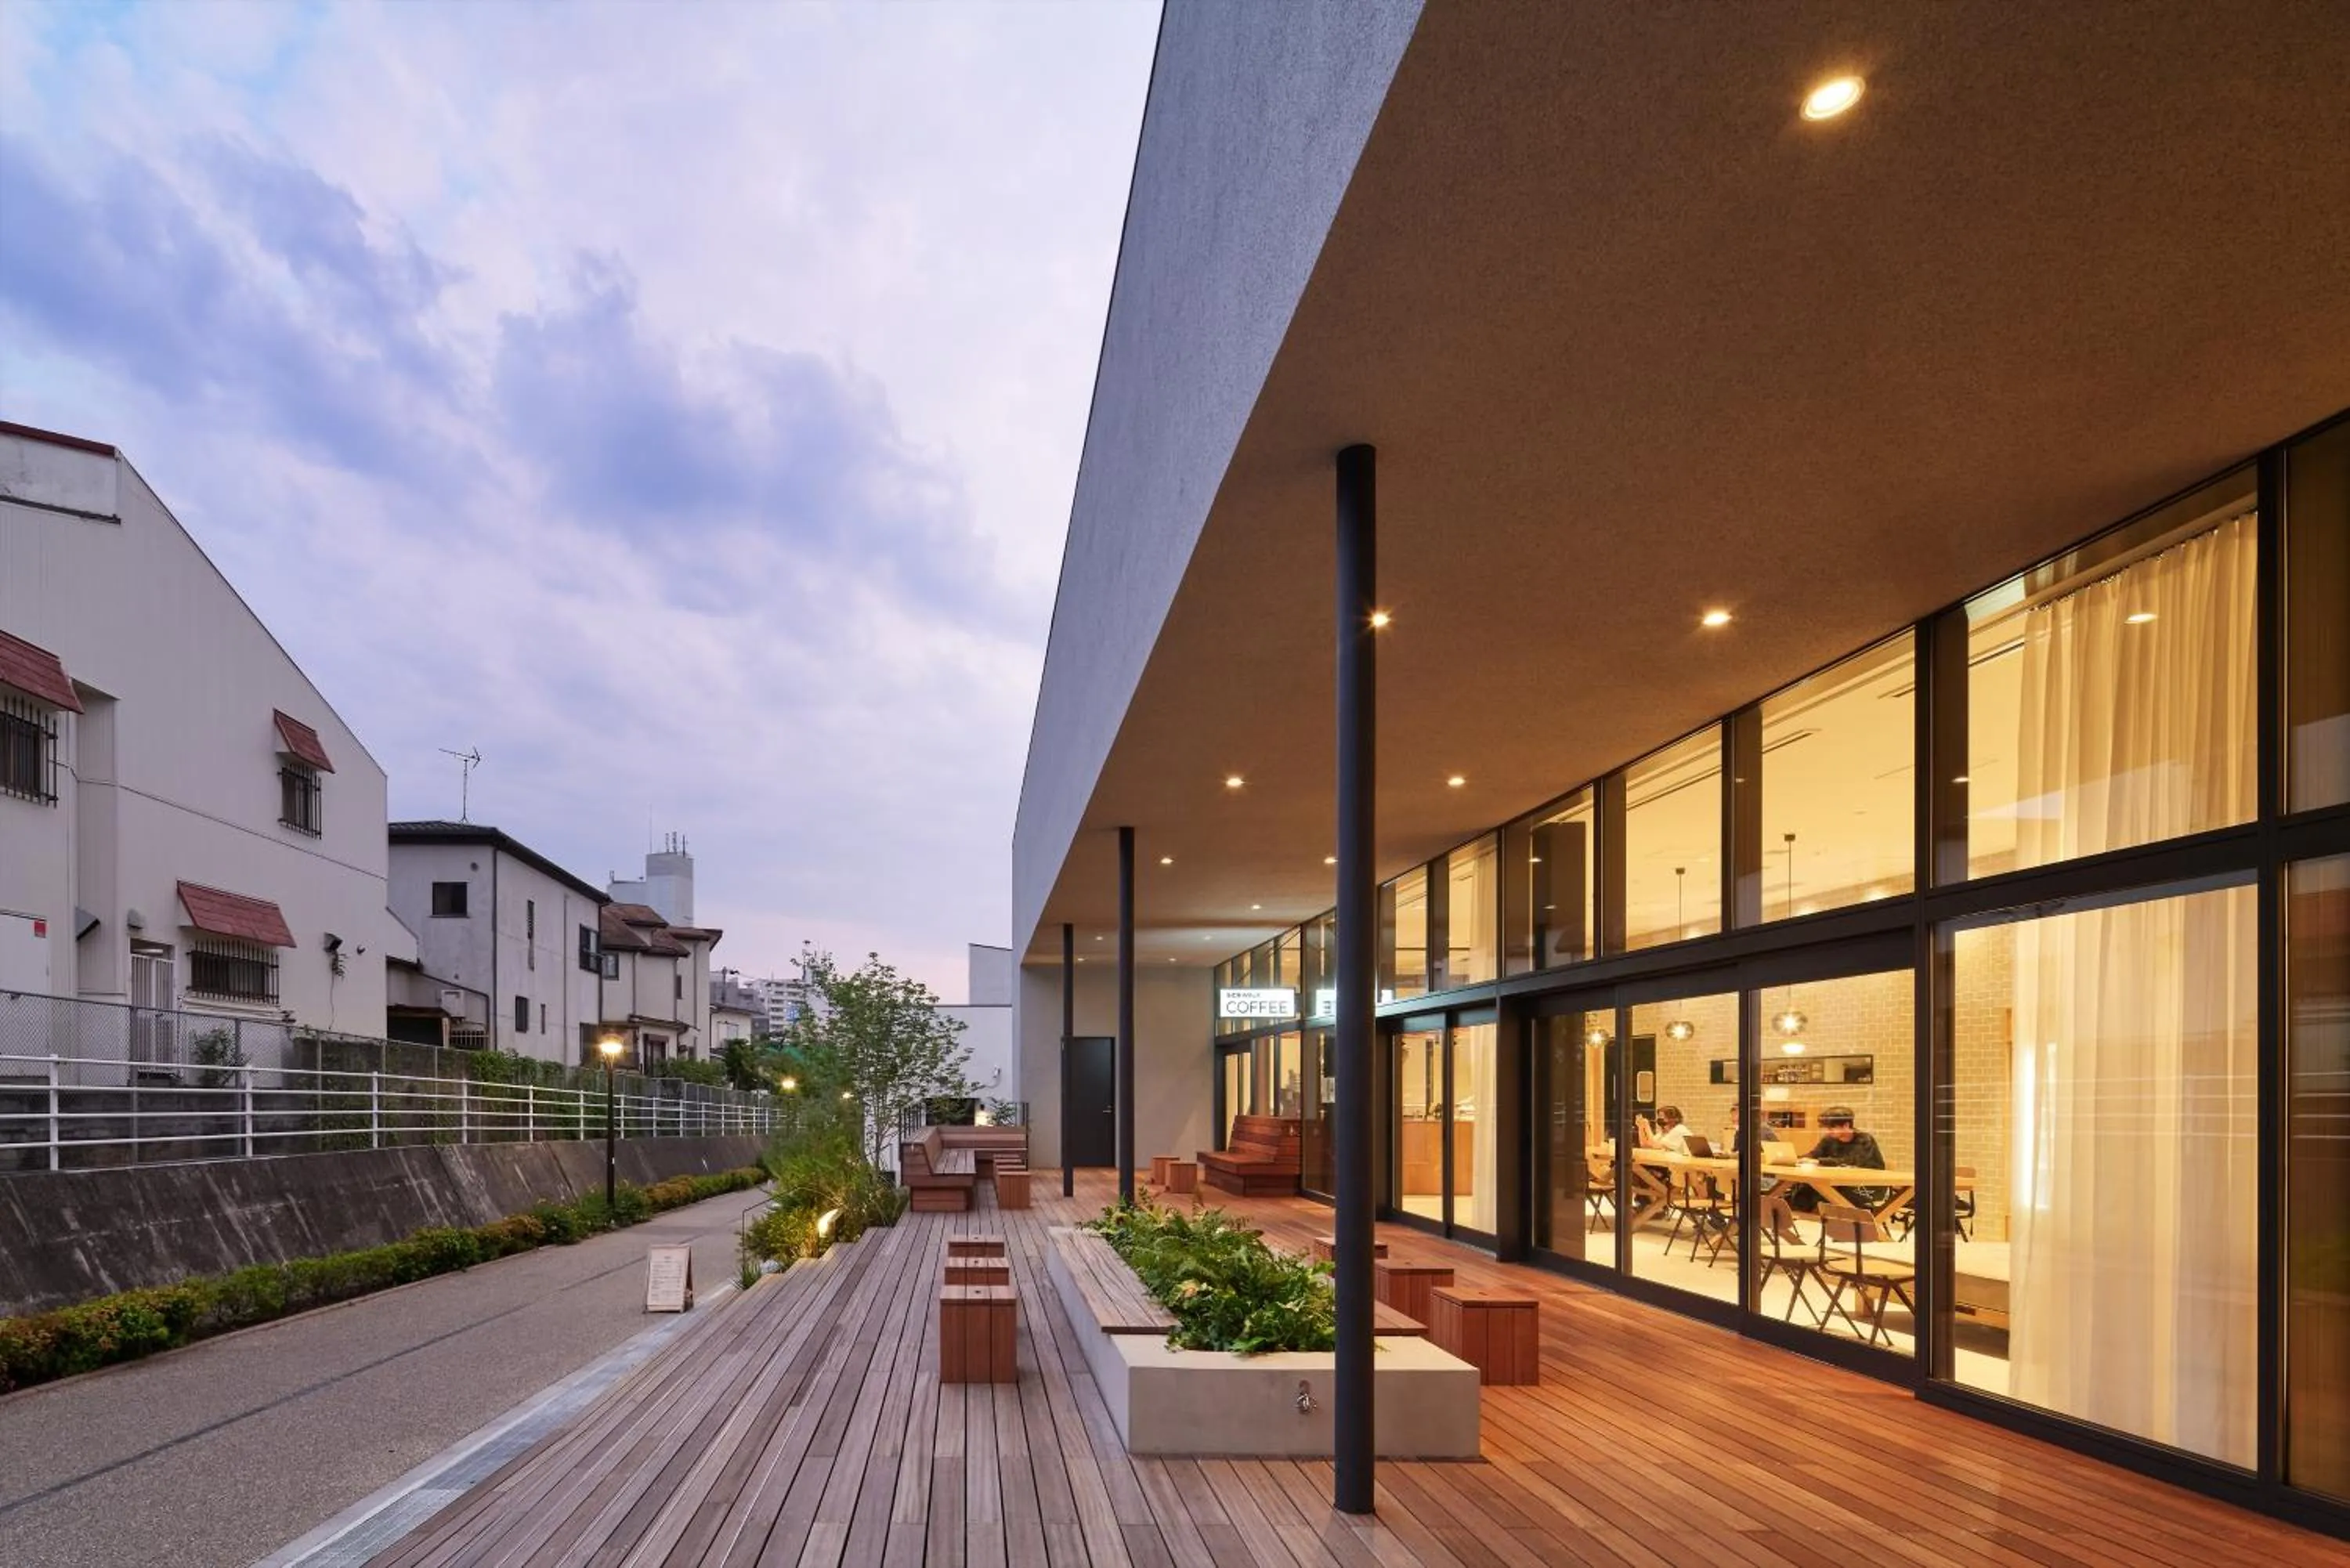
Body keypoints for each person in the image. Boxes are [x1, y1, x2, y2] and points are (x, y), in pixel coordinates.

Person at [1786, 1105, 1887, 1212]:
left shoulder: (1864, 1140)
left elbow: (1850, 1161)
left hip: (1866, 1187)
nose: (1828, 1132)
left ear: (1846, 1125)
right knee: (1803, 1191)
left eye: (1832, 1128)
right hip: (1839, 1185)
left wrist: (1819, 1161)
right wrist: (1795, 1159)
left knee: (1820, 1193)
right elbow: (1813, 1154)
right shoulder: (1829, 1140)